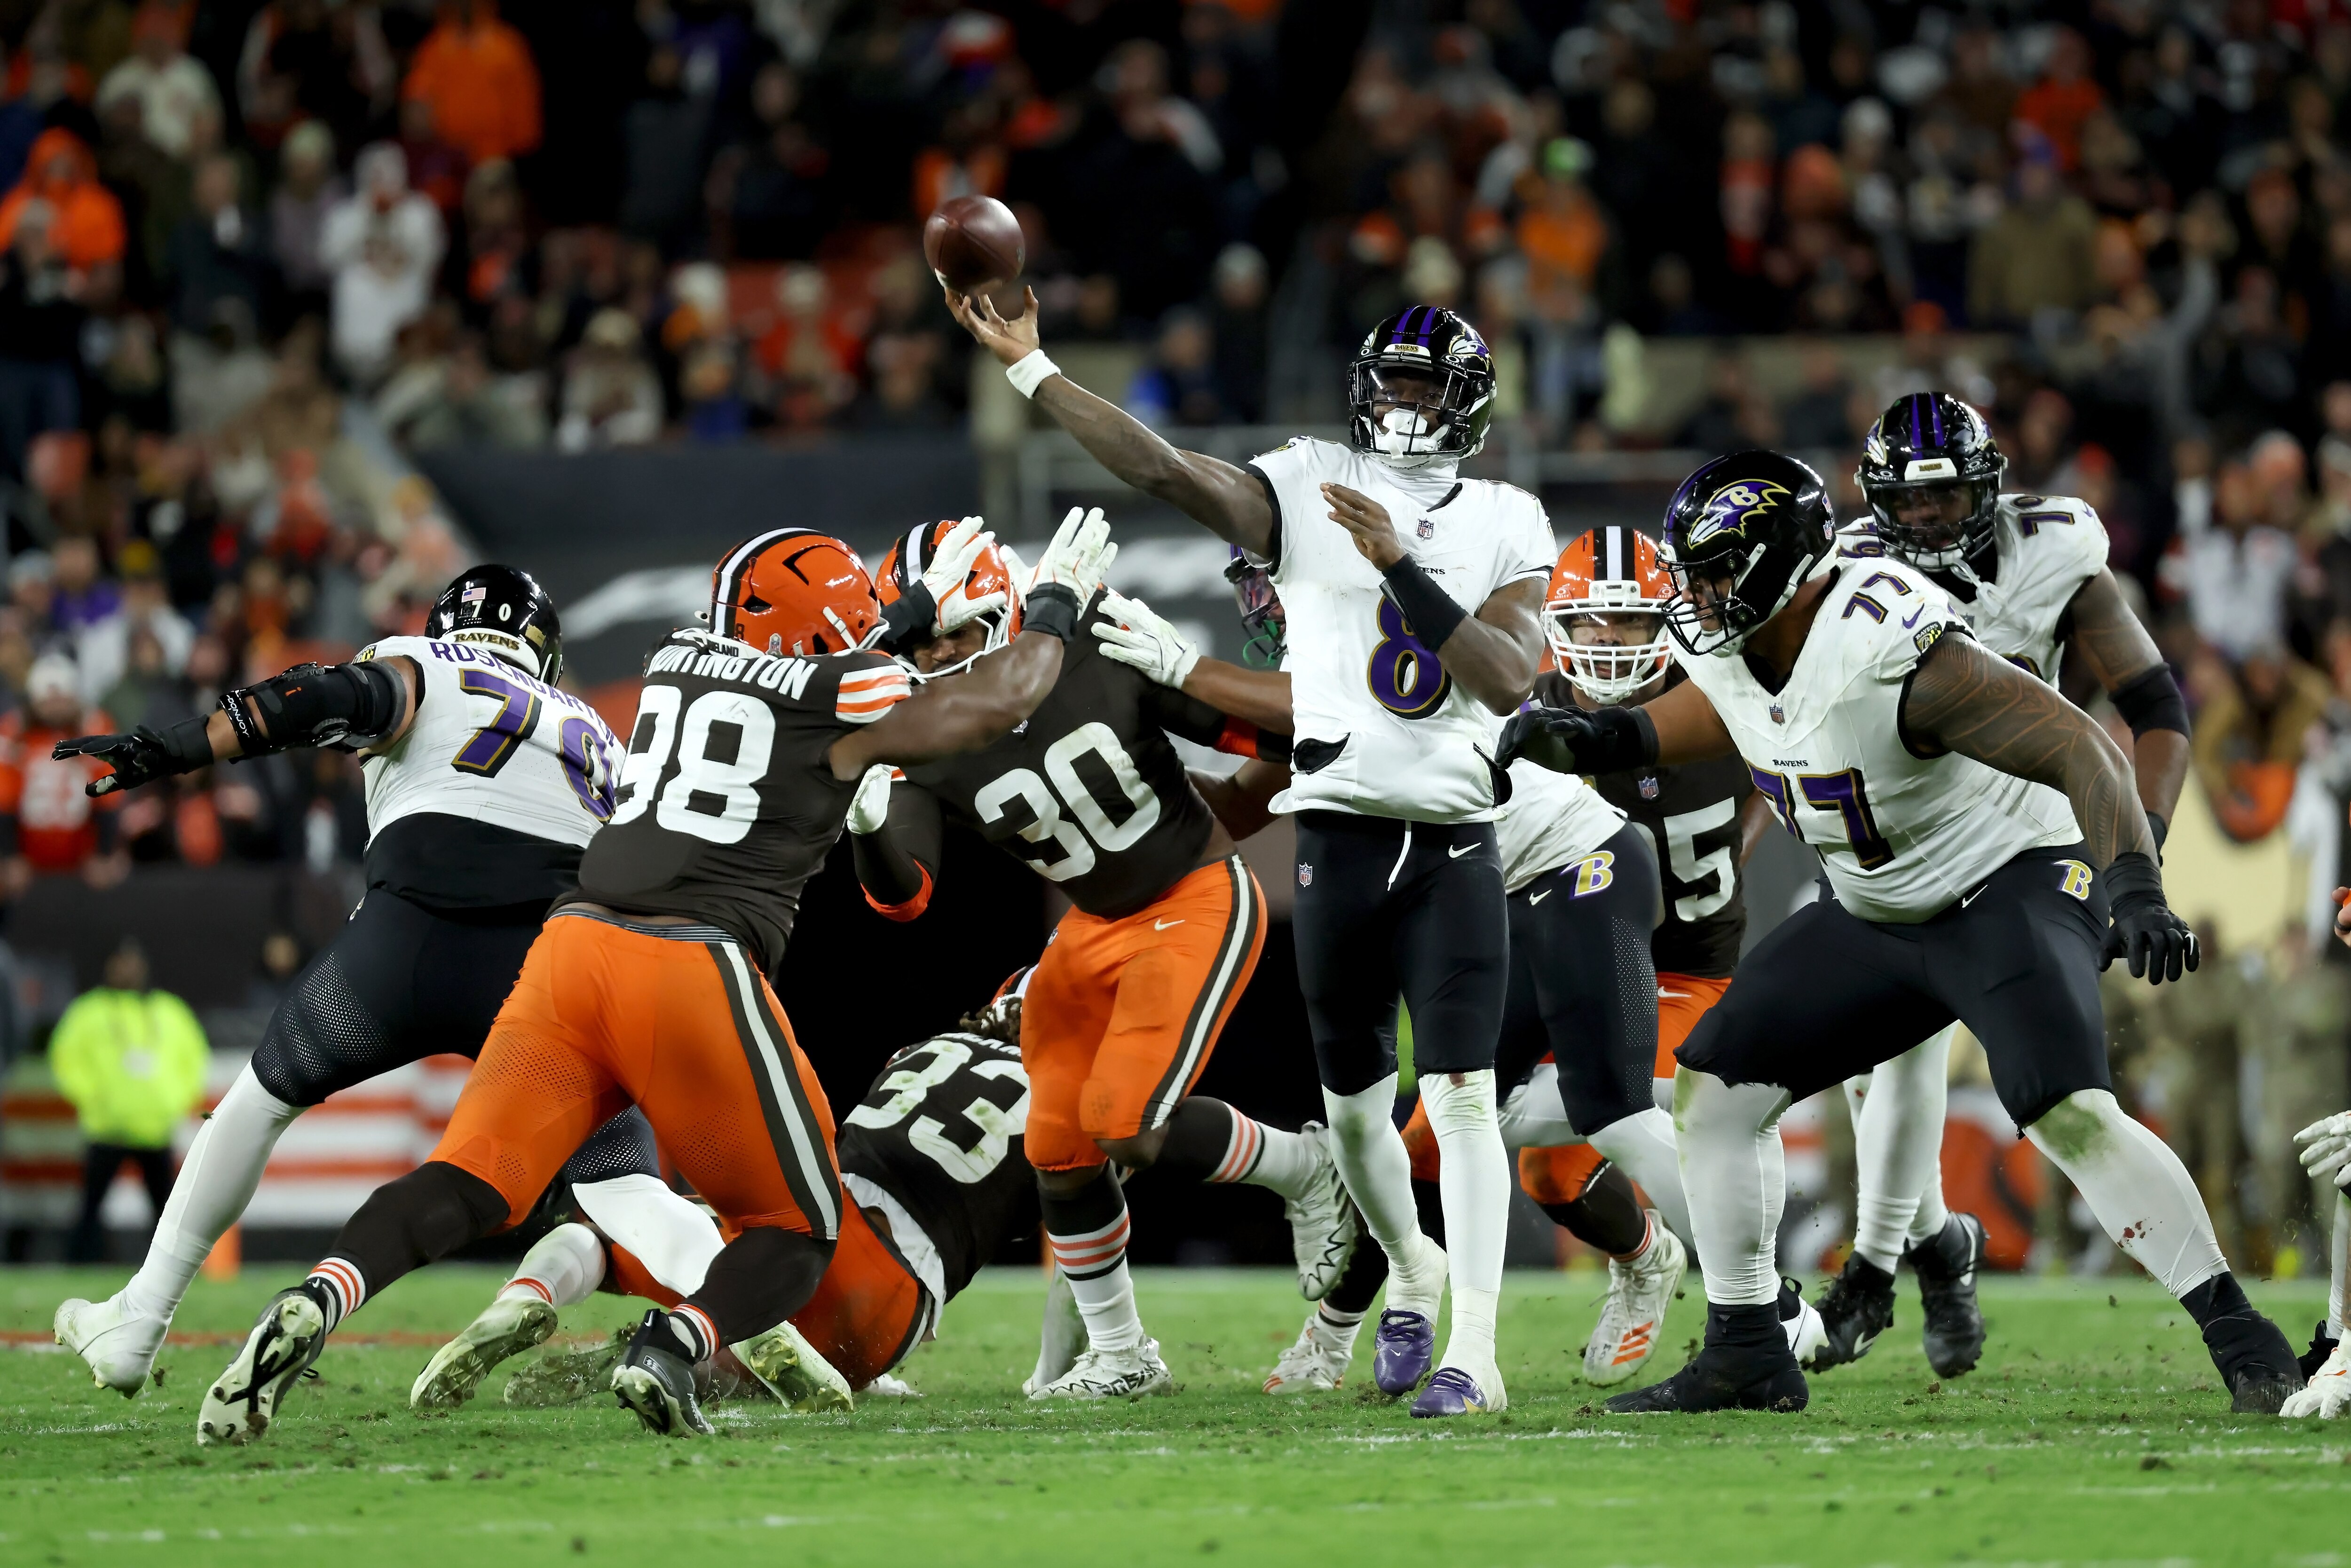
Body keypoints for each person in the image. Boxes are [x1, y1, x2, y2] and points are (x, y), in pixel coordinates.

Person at [183, 512, 1114, 1444]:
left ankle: (315, 1298)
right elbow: (992, 700)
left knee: (469, 1179)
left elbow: (806, 670)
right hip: (688, 962)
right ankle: (673, 1344)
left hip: (571, 947)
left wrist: (899, 618)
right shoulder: (847, 690)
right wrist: (1058, 605)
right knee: (797, 1226)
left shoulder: (675, 656)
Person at [1499, 449, 2305, 1415]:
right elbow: (1725, 706)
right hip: (1876, 906)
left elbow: (2079, 742)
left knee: (2064, 1108)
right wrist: (1604, 738)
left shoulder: (1889, 646)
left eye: (1715, 571)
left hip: (2004, 883)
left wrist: (2134, 881)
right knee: (1713, 1093)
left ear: (1776, 568)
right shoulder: (1733, 637)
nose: (1696, 595)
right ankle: (1748, 1347)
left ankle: (2238, 1331)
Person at [951, 291, 1551, 1418]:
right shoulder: (1313, 478)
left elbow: (1508, 678)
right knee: (1361, 1117)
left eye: (1428, 386)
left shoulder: (1511, 518)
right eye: (1393, 381)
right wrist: (1036, 371)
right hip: (1336, 833)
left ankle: (1474, 1350)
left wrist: (1401, 569)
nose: (1405, 404)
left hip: (1452, 837)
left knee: (1462, 1101)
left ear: (1466, 403)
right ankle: (1411, 1268)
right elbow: (1172, 474)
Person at [1100, 536, 1828, 1395]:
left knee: (1603, 1118)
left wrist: (1176, 670)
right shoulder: (1389, 677)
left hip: (1643, 933)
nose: (1612, 639)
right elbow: (1240, 794)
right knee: (1422, 1144)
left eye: (1631, 620)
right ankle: (1356, 1327)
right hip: (1545, 920)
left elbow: (1294, 718)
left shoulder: (1685, 693)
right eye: (1594, 619)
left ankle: (1768, 1302)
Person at [50, 567, 650, 1400]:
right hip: (550, 962)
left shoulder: (424, 662)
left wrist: (178, 747)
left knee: (261, 1100)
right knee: (622, 1171)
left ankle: (140, 1320)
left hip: (405, 941)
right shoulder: (595, 729)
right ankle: (737, 1320)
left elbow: (318, 698)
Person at [844, 519, 1349, 1400]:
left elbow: (1280, 740)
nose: (948, 658)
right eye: (927, 642)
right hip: (1092, 924)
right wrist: (865, 825)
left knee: (1125, 1124)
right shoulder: (919, 729)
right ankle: (1123, 1355)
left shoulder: (1092, 639)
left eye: (964, 633)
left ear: (1009, 612)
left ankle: (1302, 1167)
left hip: (1191, 898)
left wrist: (1191, 673)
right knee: (1058, 1148)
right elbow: (905, 893)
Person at [1815, 393, 2196, 1380]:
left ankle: (1874, 1271)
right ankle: (1934, 1248)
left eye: (1947, 497)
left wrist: (2136, 860)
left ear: (1989, 488)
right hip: (1903, 831)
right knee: (1884, 1059)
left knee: (1969, 1072)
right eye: (1911, 499)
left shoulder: (2054, 546)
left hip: (2029, 841)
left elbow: (2154, 704)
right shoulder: (1844, 569)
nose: (1931, 518)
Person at [414, 975, 1049, 1409]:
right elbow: (1076, 1231)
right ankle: (674, 1355)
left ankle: (531, 1294)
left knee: (599, 1239)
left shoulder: (924, 1050)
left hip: (818, 1228)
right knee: (756, 1337)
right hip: (890, 1313)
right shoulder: (1060, 1094)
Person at [51, 939, 209, 1265]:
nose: (127, 970)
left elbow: (194, 1058)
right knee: (91, 1207)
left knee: (166, 1212)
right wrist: (93, 1097)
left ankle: (169, 1271)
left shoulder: (169, 1011)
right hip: (108, 1126)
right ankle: (79, 1265)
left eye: (132, 962)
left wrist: (174, 1101)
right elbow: (66, 1059)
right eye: (120, 963)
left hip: (155, 1126)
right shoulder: (88, 1011)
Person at [0, 653, 130, 889]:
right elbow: (5, 798)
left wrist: (104, 851)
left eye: (62, 698)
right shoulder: (15, 733)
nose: (56, 707)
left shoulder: (95, 727)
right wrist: (9, 855)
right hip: (27, 858)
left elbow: (109, 793)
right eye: (48, 700)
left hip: (83, 859)